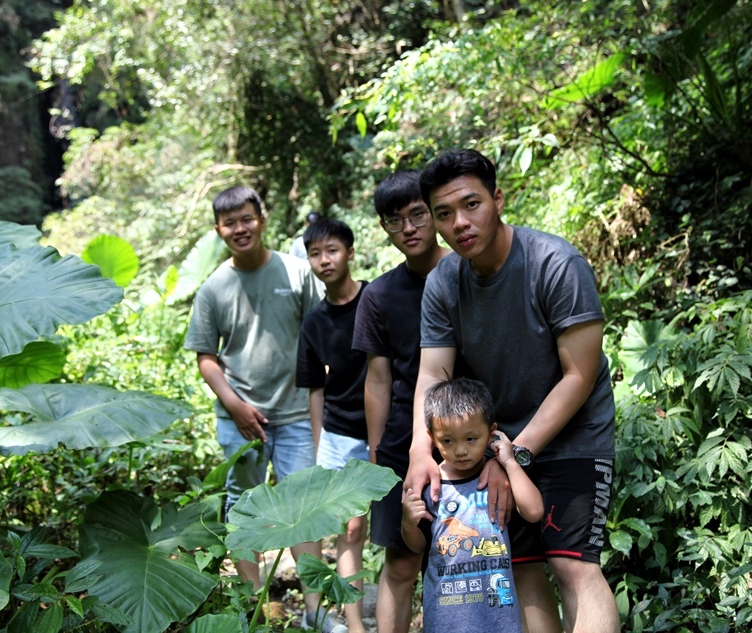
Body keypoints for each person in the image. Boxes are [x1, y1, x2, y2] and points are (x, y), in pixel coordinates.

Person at [407, 149, 620, 632]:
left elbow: (579, 375)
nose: (460, 222)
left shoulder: (555, 263)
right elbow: (433, 376)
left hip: (574, 435)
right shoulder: (443, 281)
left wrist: (512, 457)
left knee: (572, 564)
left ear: (497, 199)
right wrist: (420, 450)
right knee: (519, 566)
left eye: (471, 204)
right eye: (444, 213)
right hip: (495, 437)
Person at [352, 170, 511, 633]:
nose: (410, 228)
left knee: (490, 561)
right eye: (395, 220)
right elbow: (378, 381)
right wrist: (378, 450)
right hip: (409, 443)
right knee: (400, 565)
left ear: (434, 215)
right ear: (384, 228)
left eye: (418, 214)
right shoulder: (378, 295)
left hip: (475, 440)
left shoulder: (470, 269)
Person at [184, 186, 345, 633]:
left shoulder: (296, 273)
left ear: (262, 218)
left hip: (295, 414)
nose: (240, 229)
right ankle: (249, 610)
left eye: (246, 219)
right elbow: (205, 356)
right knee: (244, 512)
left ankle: (315, 611)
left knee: (302, 510)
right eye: (229, 222)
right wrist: (235, 406)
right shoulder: (214, 287)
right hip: (240, 420)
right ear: (219, 230)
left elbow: (322, 336)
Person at [401, 377, 543, 633]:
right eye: (448, 441)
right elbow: (418, 545)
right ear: (432, 438)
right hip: (447, 617)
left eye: (470, 439)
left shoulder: (498, 478)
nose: (460, 451)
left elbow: (533, 512)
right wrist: (408, 522)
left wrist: (510, 462)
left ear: (491, 432)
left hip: (498, 617)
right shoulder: (431, 485)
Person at [296, 217, 370, 633]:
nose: (324, 260)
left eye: (332, 250)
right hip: (338, 435)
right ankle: (355, 623)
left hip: (383, 430)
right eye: (315, 253)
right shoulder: (314, 322)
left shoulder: (374, 300)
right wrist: (320, 440)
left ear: (350, 252)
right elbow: (315, 389)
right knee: (349, 528)